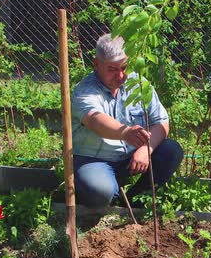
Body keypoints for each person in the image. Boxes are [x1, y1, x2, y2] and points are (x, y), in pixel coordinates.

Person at [71, 33, 183, 208]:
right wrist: (126, 133)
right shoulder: (85, 91)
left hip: (132, 158)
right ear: (96, 64)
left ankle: (133, 202)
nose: (121, 76)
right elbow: (95, 120)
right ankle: (108, 193)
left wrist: (147, 149)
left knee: (171, 151)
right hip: (94, 159)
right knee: (100, 192)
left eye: (124, 67)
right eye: (112, 69)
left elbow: (161, 121)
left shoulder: (138, 84)